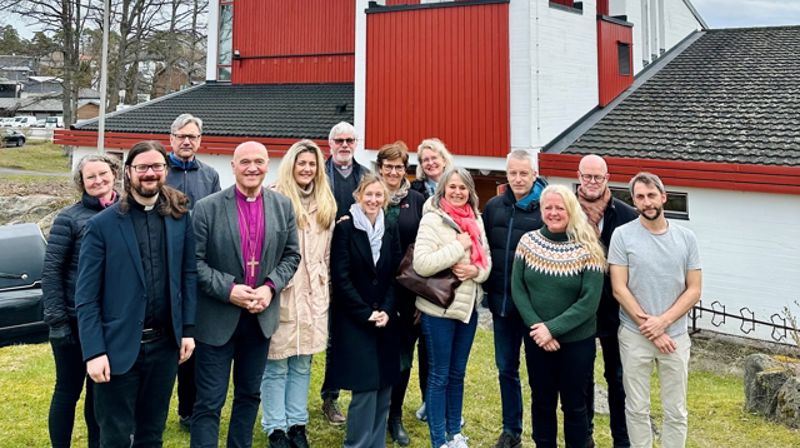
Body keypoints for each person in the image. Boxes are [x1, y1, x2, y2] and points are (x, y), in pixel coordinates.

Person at [75, 141, 197, 448]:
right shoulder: (101, 226)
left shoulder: (179, 218)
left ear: (165, 171)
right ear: (128, 173)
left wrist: (188, 330)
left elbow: (187, 276)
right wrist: (93, 352)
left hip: (164, 346)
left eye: (156, 166)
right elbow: (86, 296)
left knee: (151, 435)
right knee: (114, 437)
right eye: (142, 167)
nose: (149, 173)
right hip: (117, 349)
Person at [190, 141, 301, 448]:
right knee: (210, 401)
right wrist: (228, 289)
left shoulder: (282, 206)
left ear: (268, 165)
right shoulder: (207, 208)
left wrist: (269, 287)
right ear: (233, 166)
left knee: (249, 395)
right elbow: (194, 263)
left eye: (260, 162)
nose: (253, 168)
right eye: (246, 162)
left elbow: (292, 256)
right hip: (217, 319)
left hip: (260, 317)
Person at [609, 172, 702, 448]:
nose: (647, 202)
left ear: (663, 196)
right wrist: (651, 329)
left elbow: (694, 289)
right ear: (634, 201)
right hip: (634, 335)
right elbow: (619, 288)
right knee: (637, 408)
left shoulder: (687, 239)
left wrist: (663, 322)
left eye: (651, 195)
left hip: (675, 336)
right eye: (640, 197)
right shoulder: (622, 236)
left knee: (676, 409)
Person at [511, 184, 606, 448]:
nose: (553, 213)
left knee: (575, 406)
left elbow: (589, 302)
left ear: (571, 210)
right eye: (548, 207)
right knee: (542, 402)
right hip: (537, 339)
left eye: (559, 208)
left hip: (576, 343)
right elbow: (518, 290)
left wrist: (552, 329)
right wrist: (538, 329)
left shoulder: (589, 248)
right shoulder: (528, 243)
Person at [259, 140, 336, 448]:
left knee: (303, 363)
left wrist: (325, 286)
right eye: (301, 163)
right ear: (291, 165)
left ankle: (297, 424)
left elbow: (327, 254)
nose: (307, 169)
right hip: (283, 291)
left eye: (312, 164)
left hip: (314, 292)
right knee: (276, 362)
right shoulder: (274, 197)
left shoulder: (325, 201)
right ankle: (275, 427)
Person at [42, 154, 121, 448]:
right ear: (81, 183)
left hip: (110, 322)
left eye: (103, 173)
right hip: (74, 321)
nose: (98, 180)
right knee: (68, 389)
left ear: (114, 174)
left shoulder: (127, 212)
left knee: (99, 392)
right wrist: (58, 321)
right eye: (91, 177)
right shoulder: (68, 219)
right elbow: (51, 273)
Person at [413, 167, 491, 448]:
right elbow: (422, 264)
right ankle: (438, 440)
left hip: (467, 309)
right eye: (452, 187)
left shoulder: (476, 220)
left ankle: (454, 433)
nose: (458, 192)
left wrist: (475, 272)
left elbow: (487, 261)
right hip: (439, 310)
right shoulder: (433, 220)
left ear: (470, 191)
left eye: (463, 187)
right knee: (439, 376)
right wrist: (458, 247)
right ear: (443, 189)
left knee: (458, 373)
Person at [329, 173, 403, 448]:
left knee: (384, 385)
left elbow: (395, 274)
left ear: (384, 199)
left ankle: (376, 443)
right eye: (368, 194)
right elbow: (341, 277)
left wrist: (386, 309)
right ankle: (357, 444)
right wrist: (364, 312)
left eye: (378, 195)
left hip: (385, 318)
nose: (373, 200)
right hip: (354, 319)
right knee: (365, 387)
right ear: (358, 196)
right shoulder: (346, 228)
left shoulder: (390, 228)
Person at [481, 150, 546, 448]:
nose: (518, 179)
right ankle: (511, 430)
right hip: (502, 306)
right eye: (513, 173)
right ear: (506, 174)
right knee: (506, 369)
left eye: (524, 173)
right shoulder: (494, 207)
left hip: (535, 311)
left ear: (534, 174)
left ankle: (543, 433)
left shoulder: (547, 208)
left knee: (539, 376)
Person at [576, 154, 638, 448]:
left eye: (597, 177)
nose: (591, 183)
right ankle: (585, 437)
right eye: (586, 176)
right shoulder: (566, 211)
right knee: (582, 378)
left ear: (607, 178)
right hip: (580, 309)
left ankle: (621, 440)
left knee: (617, 379)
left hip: (616, 311)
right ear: (578, 176)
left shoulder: (626, 215)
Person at [165, 113, 221, 429]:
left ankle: (189, 409)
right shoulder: (159, 170)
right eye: (182, 136)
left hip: (197, 267)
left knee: (192, 341)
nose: (188, 142)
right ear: (171, 138)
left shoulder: (209, 175)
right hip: (164, 264)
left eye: (193, 137)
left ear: (200, 140)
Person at [375, 141, 425, 446]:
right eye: (388, 166)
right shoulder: (368, 195)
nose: (393, 172)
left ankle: (394, 416)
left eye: (399, 166)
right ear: (380, 168)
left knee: (403, 354)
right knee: (373, 352)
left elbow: (425, 245)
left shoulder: (418, 200)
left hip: (407, 291)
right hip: (375, 290)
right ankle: (373, 412)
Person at [321, 121, 369, 425]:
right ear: (330, 144)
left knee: (347, 333)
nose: (344, 145)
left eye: (350, 140)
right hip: (320, 262)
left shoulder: (366, 176)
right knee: (323, 335)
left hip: (355, 265)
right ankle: (328, 396)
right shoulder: (318, 174)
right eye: (339, 140)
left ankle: (341, 396)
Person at [408, 137, 454, 422]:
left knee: (438, 345)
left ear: (444, 157)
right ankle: (427, 397)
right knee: (423, 341)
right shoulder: (415, 191)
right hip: (419, 272)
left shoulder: (457, 188)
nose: (430, 162)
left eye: (434, 157)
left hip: (449, 275)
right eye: (425, 159)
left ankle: (437, 400)